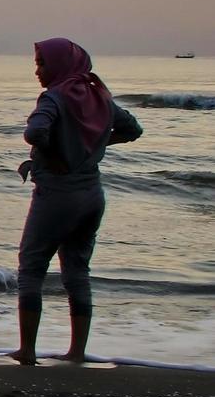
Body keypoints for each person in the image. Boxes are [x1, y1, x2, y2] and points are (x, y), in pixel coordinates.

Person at [10, 38, 143, 365]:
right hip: (92, 197)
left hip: (57, 195)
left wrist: (56, 152)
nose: (37, 70)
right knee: (77, 271)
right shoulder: (99, 96)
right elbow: (133, 129)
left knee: (31, 267)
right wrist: (92, 143)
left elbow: (35, 133)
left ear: (58, 65)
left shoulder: (54, 97)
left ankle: (27, 351)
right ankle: (77, 352)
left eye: (42, 63)